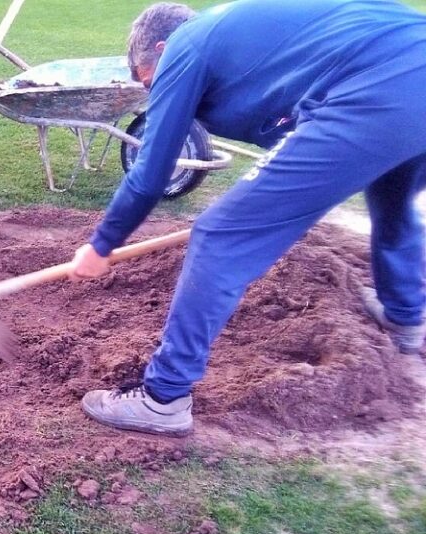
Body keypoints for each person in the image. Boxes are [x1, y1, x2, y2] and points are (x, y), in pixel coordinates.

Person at [70, 0, 426, 437]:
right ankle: (405, 315)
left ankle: (162, 398)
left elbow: (151, 173)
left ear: (161, 48)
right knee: (393, 197)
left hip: (377, 91)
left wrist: (103, 242)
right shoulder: (236, 32)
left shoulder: (186, 47)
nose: (153, 91)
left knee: (221, 234)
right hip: (408, 74)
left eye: (148, 79)